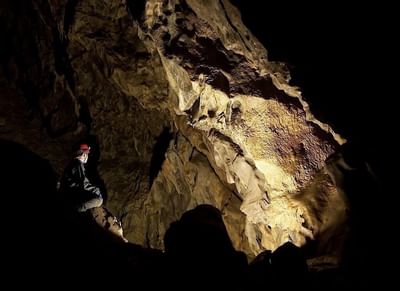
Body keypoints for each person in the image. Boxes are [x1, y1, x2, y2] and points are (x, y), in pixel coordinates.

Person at [59, 143, 103, 212]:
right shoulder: (78, 164)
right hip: (70, 195)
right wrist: (96, 190)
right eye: (87, 154)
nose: (87, 156)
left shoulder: (72, 164)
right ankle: (76, 210)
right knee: (99, 200)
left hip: (67, 193)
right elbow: (83, 184)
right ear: (83, 154)